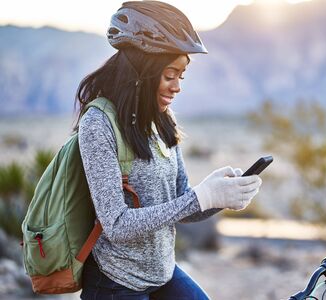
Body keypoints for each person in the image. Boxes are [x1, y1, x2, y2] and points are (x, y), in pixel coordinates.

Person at [75, 1, 262, 299]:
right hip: (116, 283)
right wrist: (201, 197)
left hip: (162, 273)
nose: (177, 87)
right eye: (169, 74)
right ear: (142, 70)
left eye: (182, 75)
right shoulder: (98, 124)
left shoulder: (163, 120)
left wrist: (219, 196)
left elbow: (180, 206)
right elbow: (117, 225)